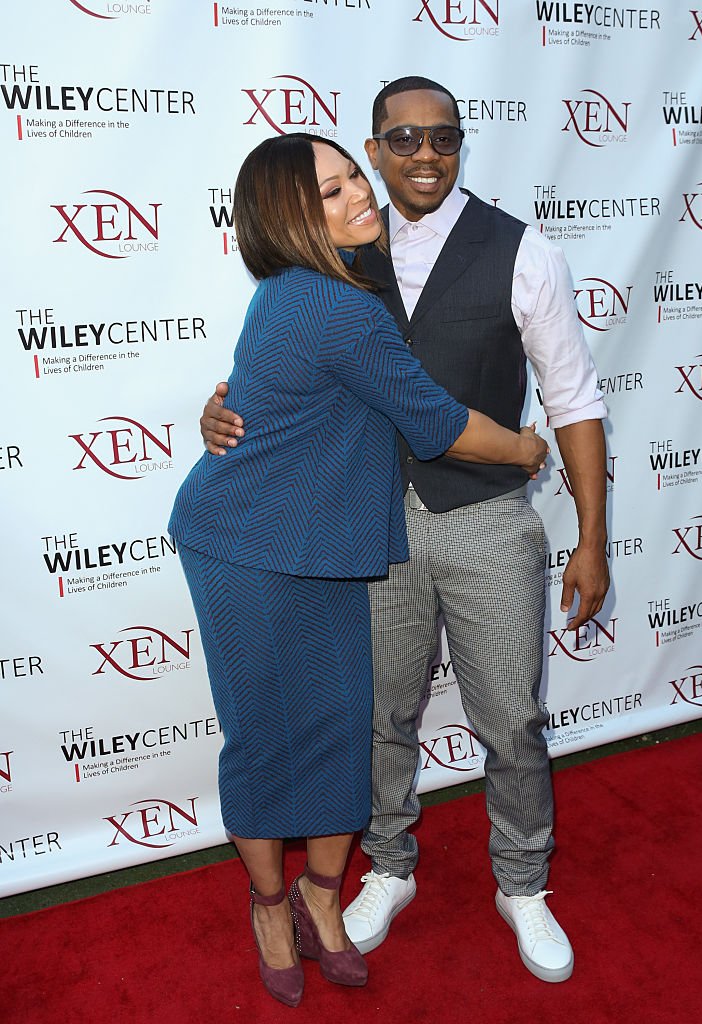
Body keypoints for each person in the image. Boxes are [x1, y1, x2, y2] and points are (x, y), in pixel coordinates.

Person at [199, 77, 609, 986]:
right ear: (375, 147)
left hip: (485, 520)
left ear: (462, 143)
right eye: (401, 139)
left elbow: (574, 398)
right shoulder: (334, 252)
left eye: (443, 137)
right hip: (359, 528)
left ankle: (522, 883)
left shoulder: (522, 250)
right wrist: (218, 413)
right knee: (373, 720)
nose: (424, 154)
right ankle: (386, 868)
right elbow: (269, 372)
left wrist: (590, 534)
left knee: (512, 719)